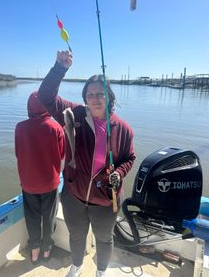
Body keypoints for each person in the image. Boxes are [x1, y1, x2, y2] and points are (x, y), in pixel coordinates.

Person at [38, 50, 136, 277]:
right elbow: (45, 96)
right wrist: (59, 68)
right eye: (90, 94)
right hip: (73, 195)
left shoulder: (123, 129)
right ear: (84, 98)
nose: (95, 98)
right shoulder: (74, 114)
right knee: (76, 235)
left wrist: (119, 173)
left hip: (105, 200)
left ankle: (101, 271)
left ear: (109, 96)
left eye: (100, 94)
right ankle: (77, 265)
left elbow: (130, 158)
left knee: (104, 238)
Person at [15, 91, 65, 264]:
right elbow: (62, 153)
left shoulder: (20, 127)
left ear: (29, 107)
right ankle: (47, 250)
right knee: (49, 216)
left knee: (32, 217)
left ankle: (34, 250)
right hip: (50, 183)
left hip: (28, 183)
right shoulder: (56, 127)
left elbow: (17, 153)